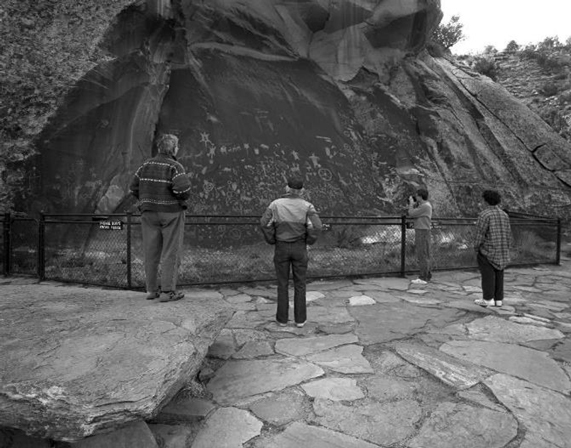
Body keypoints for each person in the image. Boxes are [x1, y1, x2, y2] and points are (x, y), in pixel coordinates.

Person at [130, 133, 191, 302]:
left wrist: (146, 200)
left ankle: (151, 290)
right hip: (171, 213)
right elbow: (183, 191)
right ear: (174, 149)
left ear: (159, 148)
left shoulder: (145, 166)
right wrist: (176, 200)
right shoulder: (175, 166)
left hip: (149, 213)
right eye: (177, 146)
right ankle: (167, 292)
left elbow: (133, 187)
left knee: (151, 252)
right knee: (171, 251)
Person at [260, 176, 322, 328]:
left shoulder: (275, 205)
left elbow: (264, 223)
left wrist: (272, 239)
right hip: (299, 248)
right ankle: (300, 320)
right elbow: (316, 226)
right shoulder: (307, 206)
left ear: (287, 188)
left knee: (282, 283)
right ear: (302, 191)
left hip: (281, 247)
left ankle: (282, 319)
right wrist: (309, 240)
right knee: (300, 284)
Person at [473, 190, 512, 308]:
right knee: (499, 272)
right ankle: (498, 299)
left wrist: (476, 247)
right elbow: (508, 233)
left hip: (488, 249)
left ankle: (488, 298)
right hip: (502, 249)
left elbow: (480, 234)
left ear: (485, 200)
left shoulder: (484, 215)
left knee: (487, 274)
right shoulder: (504, 215)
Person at [407, 188, 433, 284]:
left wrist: (410, 203)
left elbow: (411, 213)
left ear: (420, 196)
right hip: (423, 231)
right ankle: (427, 275)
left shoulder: (425, 206)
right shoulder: (424, 205)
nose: (415, 197)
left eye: (417, 195)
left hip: (422, 232)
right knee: (425, 254)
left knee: (422, 254)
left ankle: (423, 277)